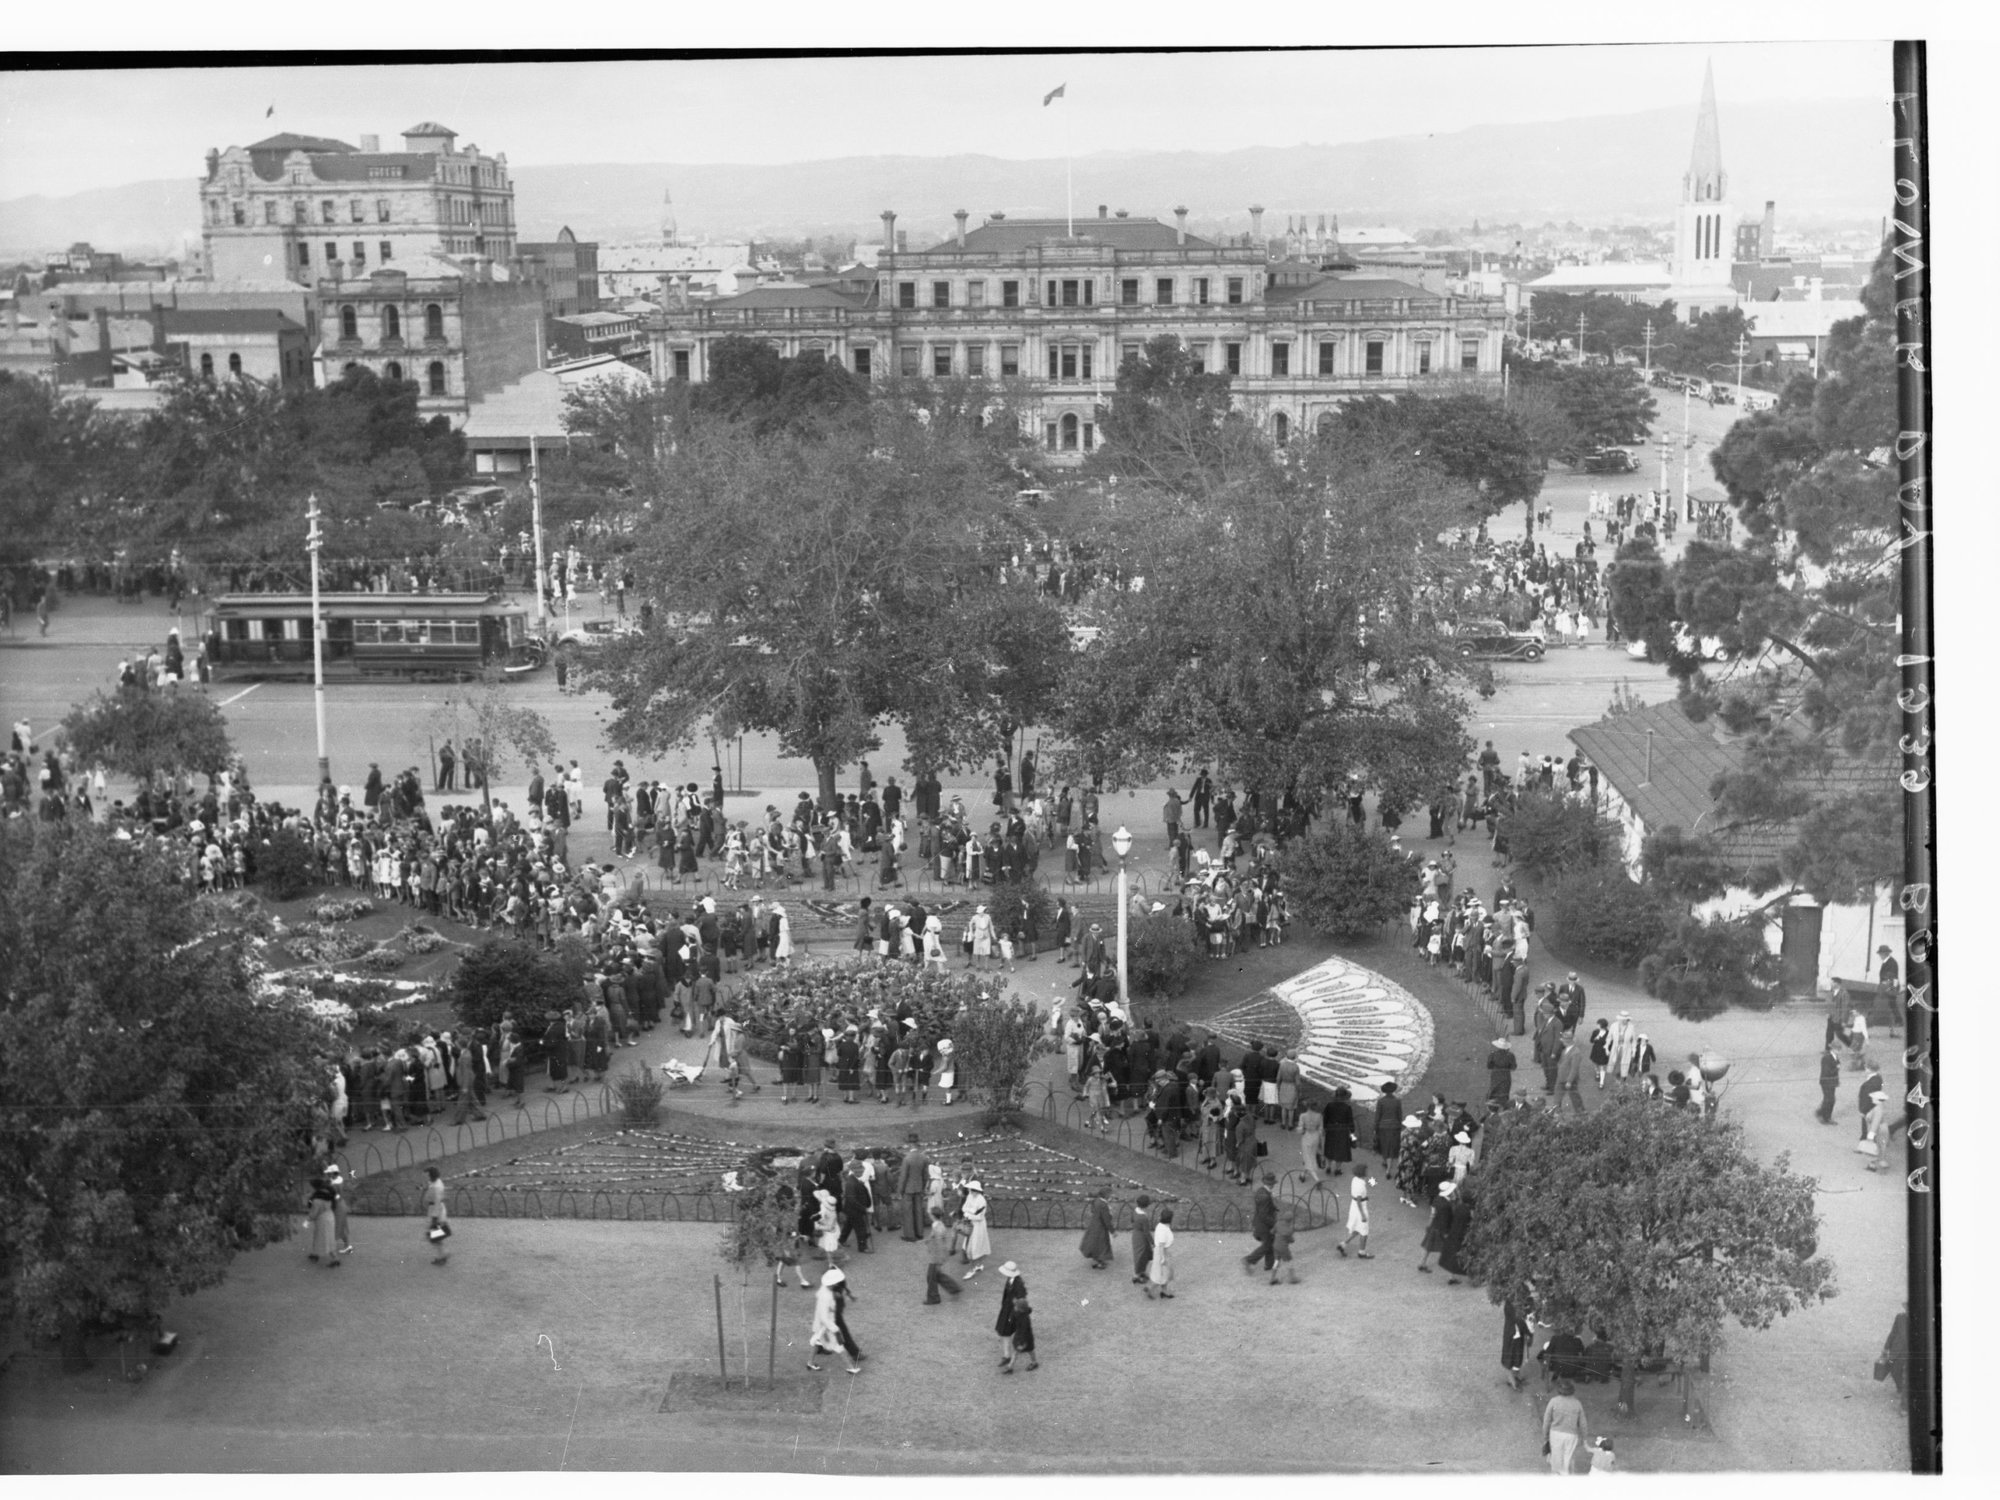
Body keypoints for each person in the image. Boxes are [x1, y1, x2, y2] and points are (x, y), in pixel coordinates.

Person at [808, 1268, 861, 1374]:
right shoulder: (826, 1296)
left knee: (818, 1342)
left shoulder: (825, 1291)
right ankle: (850, 1368)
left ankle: (810, 1363)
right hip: (826, 1326)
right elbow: (824, 1317)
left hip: (822, 1325)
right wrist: (835, 1329)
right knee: (837, 1345)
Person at [1542, 1378, 1589, 1475]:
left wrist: (1545, 1437)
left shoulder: (1553, 1401)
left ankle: (1557, 1476)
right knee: (1569, 1457)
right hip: (1571, 1435)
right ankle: (1567, 1475)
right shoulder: (1577, 1403)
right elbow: (1583, 1423)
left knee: (1556, 1457)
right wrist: (1585, 1439)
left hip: (1556, 1434)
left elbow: (1546, 1421)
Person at [922, 1207, 963, 1305]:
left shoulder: (938, 1228)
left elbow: (940, 1246)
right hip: (936, 1256)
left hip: (936, 1257)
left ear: (932, 1215)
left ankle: (934, 1297)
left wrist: (939, 1262)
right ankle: (954, 1288)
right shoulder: (938, 1225)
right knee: (937, 1276)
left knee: (931, 1277)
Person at [1242, 1169, 1278, 1275]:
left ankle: (1269, 1264)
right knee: (1267, 1245)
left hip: (1260, 1223)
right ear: (1271, 1185)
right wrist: (1275, 1223)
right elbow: (1264, 1215)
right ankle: (1249, 1260)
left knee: (1270, 1242)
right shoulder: (1266, 1196)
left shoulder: (1260, 1191)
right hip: (1264, 1225)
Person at [1417, 1179, 1456, 1274]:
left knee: (1428, 1247)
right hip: (1442, 1229)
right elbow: (1447, 1219)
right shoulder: (1448, 1205)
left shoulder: (1437, 1199)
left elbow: (1433, 1214)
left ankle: (1422, 1263)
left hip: (1434, 1226)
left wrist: (1428, 1225)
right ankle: (1452, 1274)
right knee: (1449, 1248)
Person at [994, 1261, 1028, 1371]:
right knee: (1005, 1332)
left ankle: (1008, 1356)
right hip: (1007, 1310)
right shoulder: (1010, 1279)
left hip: (1012, 1312)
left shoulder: (1018, 1284)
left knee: (1007, 1332)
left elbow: (1021, 1300)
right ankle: (1006, 1355)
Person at [898, 1133, 931, 1241]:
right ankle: (919, 1233)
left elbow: (903, 1177)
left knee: (908, 1212)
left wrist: (900, 1190)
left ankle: (910, 1235)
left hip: (908, 1188)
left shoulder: (907, 1159)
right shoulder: (924, 1157)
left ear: (910, 1145)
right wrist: (922, 1186)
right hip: (919, 1187)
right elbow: (926, 1175)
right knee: (918, 1210)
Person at [958, 1177, 991, 1278]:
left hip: (978, 1226)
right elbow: (964, 1208)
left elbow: (979, 1217)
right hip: (970, 1224)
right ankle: (978, 1265)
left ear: (976, 1190)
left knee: (975, 1247)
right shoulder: (970, 1196)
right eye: (969, 1189)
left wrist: (969, 1214)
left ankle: (973, 1269)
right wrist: (969, 1212)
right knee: (969, 1246)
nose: (969, 1191)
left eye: (971, 1190)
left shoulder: (982, 1201)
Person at [1337, 1166, 1373, 1259]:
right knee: (1364, 1231)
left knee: (1357, 1228)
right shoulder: (1361, 1185)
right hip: (1360, 1208)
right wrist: (1363, 1215)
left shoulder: (1355, 1179)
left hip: (1353, 1207)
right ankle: (1362, 1252)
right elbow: (1359, 1200)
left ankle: (1343, 1244)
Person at [1079, 1184, 1115, 1269]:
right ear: (1106, 1195)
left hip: (1094, 1224)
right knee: (1101, 1244)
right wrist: (1112, 1231)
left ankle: (1096, 1260)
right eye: (1110, 1194)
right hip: (1101, 1227)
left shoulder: (1097, 1201)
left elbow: (1093, 1210)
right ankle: (1100, 1262)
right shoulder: (1103, 1205)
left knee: (1094, 1243)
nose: (1111, 1196)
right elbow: (1106, 1219)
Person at [1143, 1207, 1176, 1299]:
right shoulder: (1164, 1230)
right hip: (1163, 1253)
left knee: (1164, 1274)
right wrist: (1163, 1258)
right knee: (1161, 1274)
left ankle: (1164, 1291)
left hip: (1162, 1252)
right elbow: (1161, 1245)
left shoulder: (1161, 1226)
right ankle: (1150, 1289)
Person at [421, 1166, 451, 1265]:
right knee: (435, 1235)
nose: (426, 1177)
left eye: (427, 1175)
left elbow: (437, 1202)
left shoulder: (436, 1186)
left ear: (431, 1175)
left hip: (436, 1211)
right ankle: (443, 1254)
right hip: (435, 1210)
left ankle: (442, 1255)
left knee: (433, 1235)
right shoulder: (435, 1182)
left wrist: (434, 1218)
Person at [1268, 1207, 1300, 1285]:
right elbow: (1292, 1240)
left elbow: (1272, 1232)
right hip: (1283, 1248)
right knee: (1289, 1261)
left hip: (1275, 1245)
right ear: (1291, 1220)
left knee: (1276, 1261)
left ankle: (1272, 1278)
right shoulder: (1289, 1230)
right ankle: (1292, 1278)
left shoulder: (1277, 1223)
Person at [1817, 1039, 1842, 1124]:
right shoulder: (1826, 1058)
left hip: (1832, 1082)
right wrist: (1837, 1068)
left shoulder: (1834, 1057)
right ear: (1833, 1049)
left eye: (1839, 1049)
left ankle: (1821, 1113)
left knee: (1828, 1098)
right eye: (1837, 1049)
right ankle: (1826, 1118)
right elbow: (1827, 1071)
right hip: (1826, 1082)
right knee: (1830, 1099)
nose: (1839, 1051)